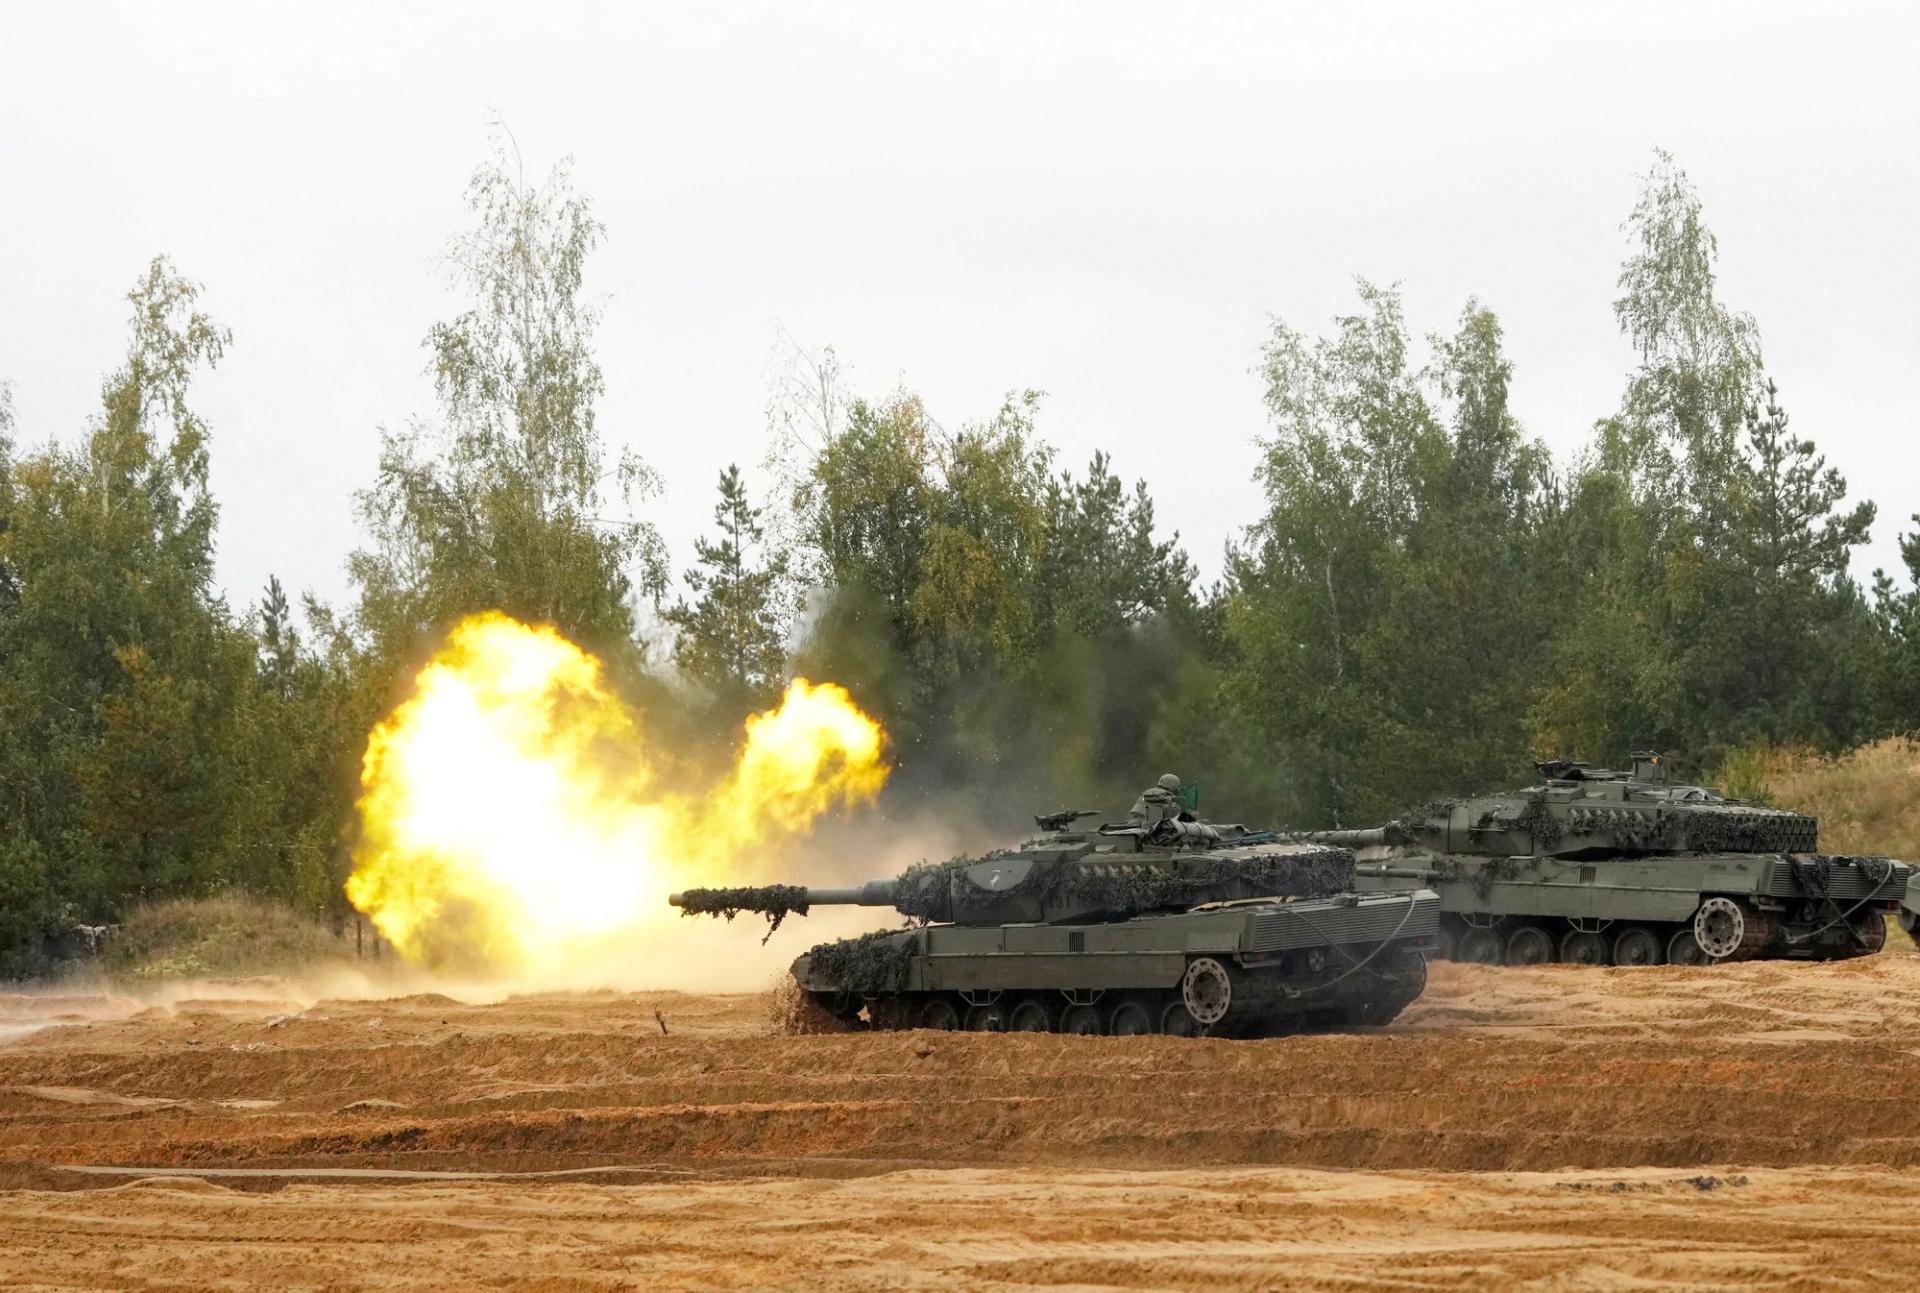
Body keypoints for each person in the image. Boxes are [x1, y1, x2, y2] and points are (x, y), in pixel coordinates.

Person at [1128, 773, 1194, 827]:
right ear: (1174, 786)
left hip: (1132, 823)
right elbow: (1174, 817)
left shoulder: (1147, 792)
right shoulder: (1168, 796)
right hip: (1149, 827)